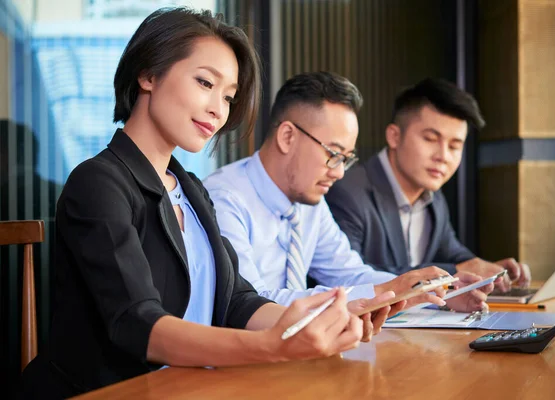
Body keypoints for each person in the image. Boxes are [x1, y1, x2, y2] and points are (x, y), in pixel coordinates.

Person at [20, 9, 394, 399]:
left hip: (189, 387)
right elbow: (138, 324)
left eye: (229, 97)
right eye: (205, 83)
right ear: (148, 74)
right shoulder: (98, 183)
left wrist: (317, 322)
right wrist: (272, 347)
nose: (219, 109)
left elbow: (235, 300)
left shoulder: (190, 188)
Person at [203, 71, 490, 314]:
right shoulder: (224, 198)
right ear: (287, 136)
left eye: (347, 158)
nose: (340, 172)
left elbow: (352, 273)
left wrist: (432, 294)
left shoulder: (309, 203)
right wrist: (388, 290)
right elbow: (253, 304)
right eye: (334, 154)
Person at [325, 78, 531, 292]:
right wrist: (454, 270)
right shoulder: (347, 191)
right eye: (431, 139)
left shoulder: (433, 197)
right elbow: (350, 277)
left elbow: (454, 253)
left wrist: (487, 271)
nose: (443, 156)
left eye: (454, 146)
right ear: (394, 136)